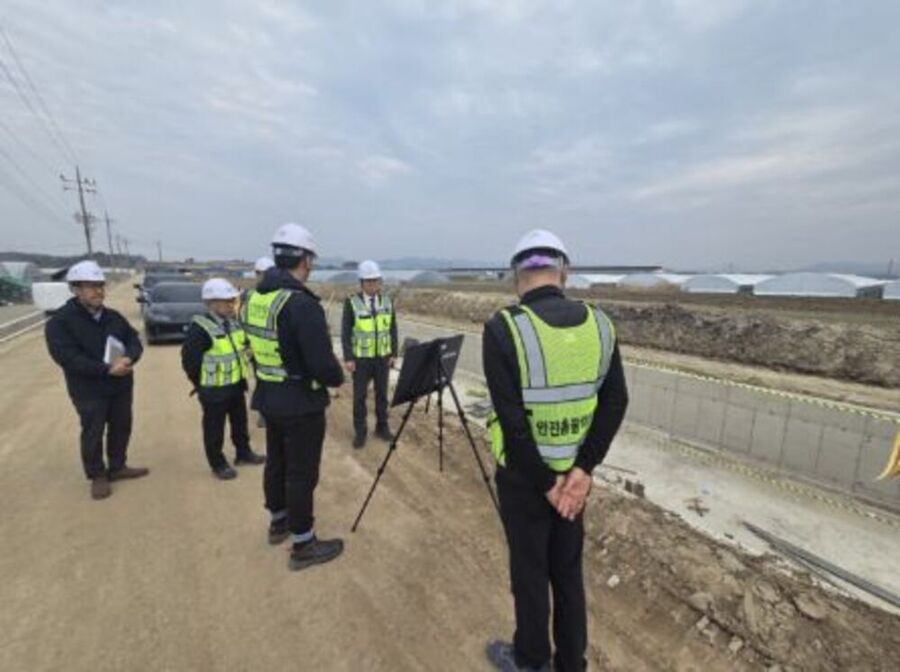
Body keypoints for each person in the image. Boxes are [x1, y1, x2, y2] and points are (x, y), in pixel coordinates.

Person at [483, 230, 629, 672]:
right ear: (564, 270)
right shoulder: (601, 326)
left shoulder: (503, 328)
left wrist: (546, 483)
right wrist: (582, 471)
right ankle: (571, 665)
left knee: (530, 577)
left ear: (516, 277)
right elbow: (616, 401)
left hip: (528, 484)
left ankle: (530, 662)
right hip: (574, 484)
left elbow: (513, 422)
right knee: (567, 576)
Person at [240, 223, 345, 571]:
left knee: (277, 461)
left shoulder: (255, 298)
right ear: (306, 259)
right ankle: (303, 544)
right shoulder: (301, 304)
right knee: (301, 473)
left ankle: (278, 521)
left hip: (270, 396)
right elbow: (321, 365)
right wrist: (337, 375)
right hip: (301, 403)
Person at [45, 260, 150, 500]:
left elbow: (133, 340)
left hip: (121, 384)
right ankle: (97, 475)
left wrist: (129, 359)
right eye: (90, 286)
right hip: (89, 389)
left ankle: (118, 466)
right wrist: (105, 370)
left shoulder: (113, 317)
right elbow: (68, 358)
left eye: (100, 285)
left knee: (121, 426)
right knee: (93, 430)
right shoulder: (60, 322)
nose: (98, 291)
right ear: (76, 289)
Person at [181, 278, 264, 480]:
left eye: (232, 300)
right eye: (226, 301)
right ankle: (217, 463)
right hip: (213, 391)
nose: (231, 305)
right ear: (211, 303)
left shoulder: (233, 324)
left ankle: (243, 453)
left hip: (235, 385)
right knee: (214, 429)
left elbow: (242, 348)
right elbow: (190, 362)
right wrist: (201, 385)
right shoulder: (200, 329)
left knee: (240, 423)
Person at [341, 260, 398, 449]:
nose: (373, 285)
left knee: (382, 395)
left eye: (376, 280)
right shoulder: (352, 303)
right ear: (362, 282)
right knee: (359, 397)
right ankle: (360, 432)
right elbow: (345, 332)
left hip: (382, 358)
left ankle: (382, 427)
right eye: (369, 281)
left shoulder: (387, 301)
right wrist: (348, 357)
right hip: (361, 360)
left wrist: (393, 353)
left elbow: (392, 329)